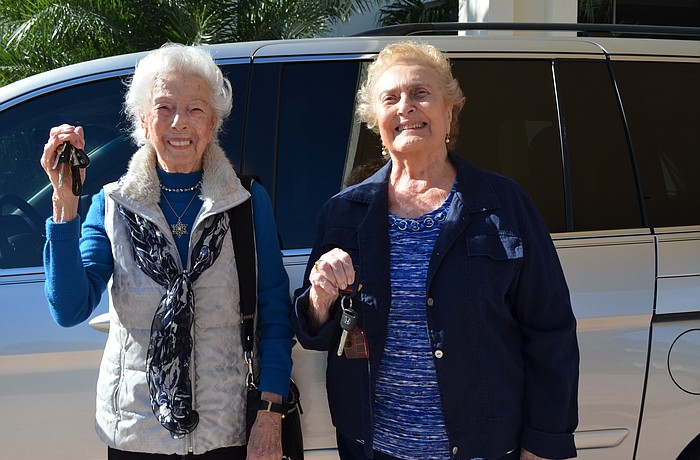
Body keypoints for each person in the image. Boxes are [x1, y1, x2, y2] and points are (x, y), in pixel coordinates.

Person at [292, 42, 579, 460]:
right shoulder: (342, 214)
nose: (405, 107)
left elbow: (550, 331)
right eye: (390, 98)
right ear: (376, 121)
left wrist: (543, 444)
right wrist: (320, 296)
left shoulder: (504, 204)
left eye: (420, 93)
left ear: (450, 111)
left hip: (484, 447)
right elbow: (314, 332)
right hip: (373, 448)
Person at [40, 43, 294, 460]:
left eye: (195, 109)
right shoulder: (113, 204)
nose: (180, 122)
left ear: (213, 123)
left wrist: (270, 412)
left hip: (226, 434)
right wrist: (64, 203)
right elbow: (69, 308)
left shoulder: (247, 203)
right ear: (142, 119)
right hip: (136, 434)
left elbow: (274, 312)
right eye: (164, 107)